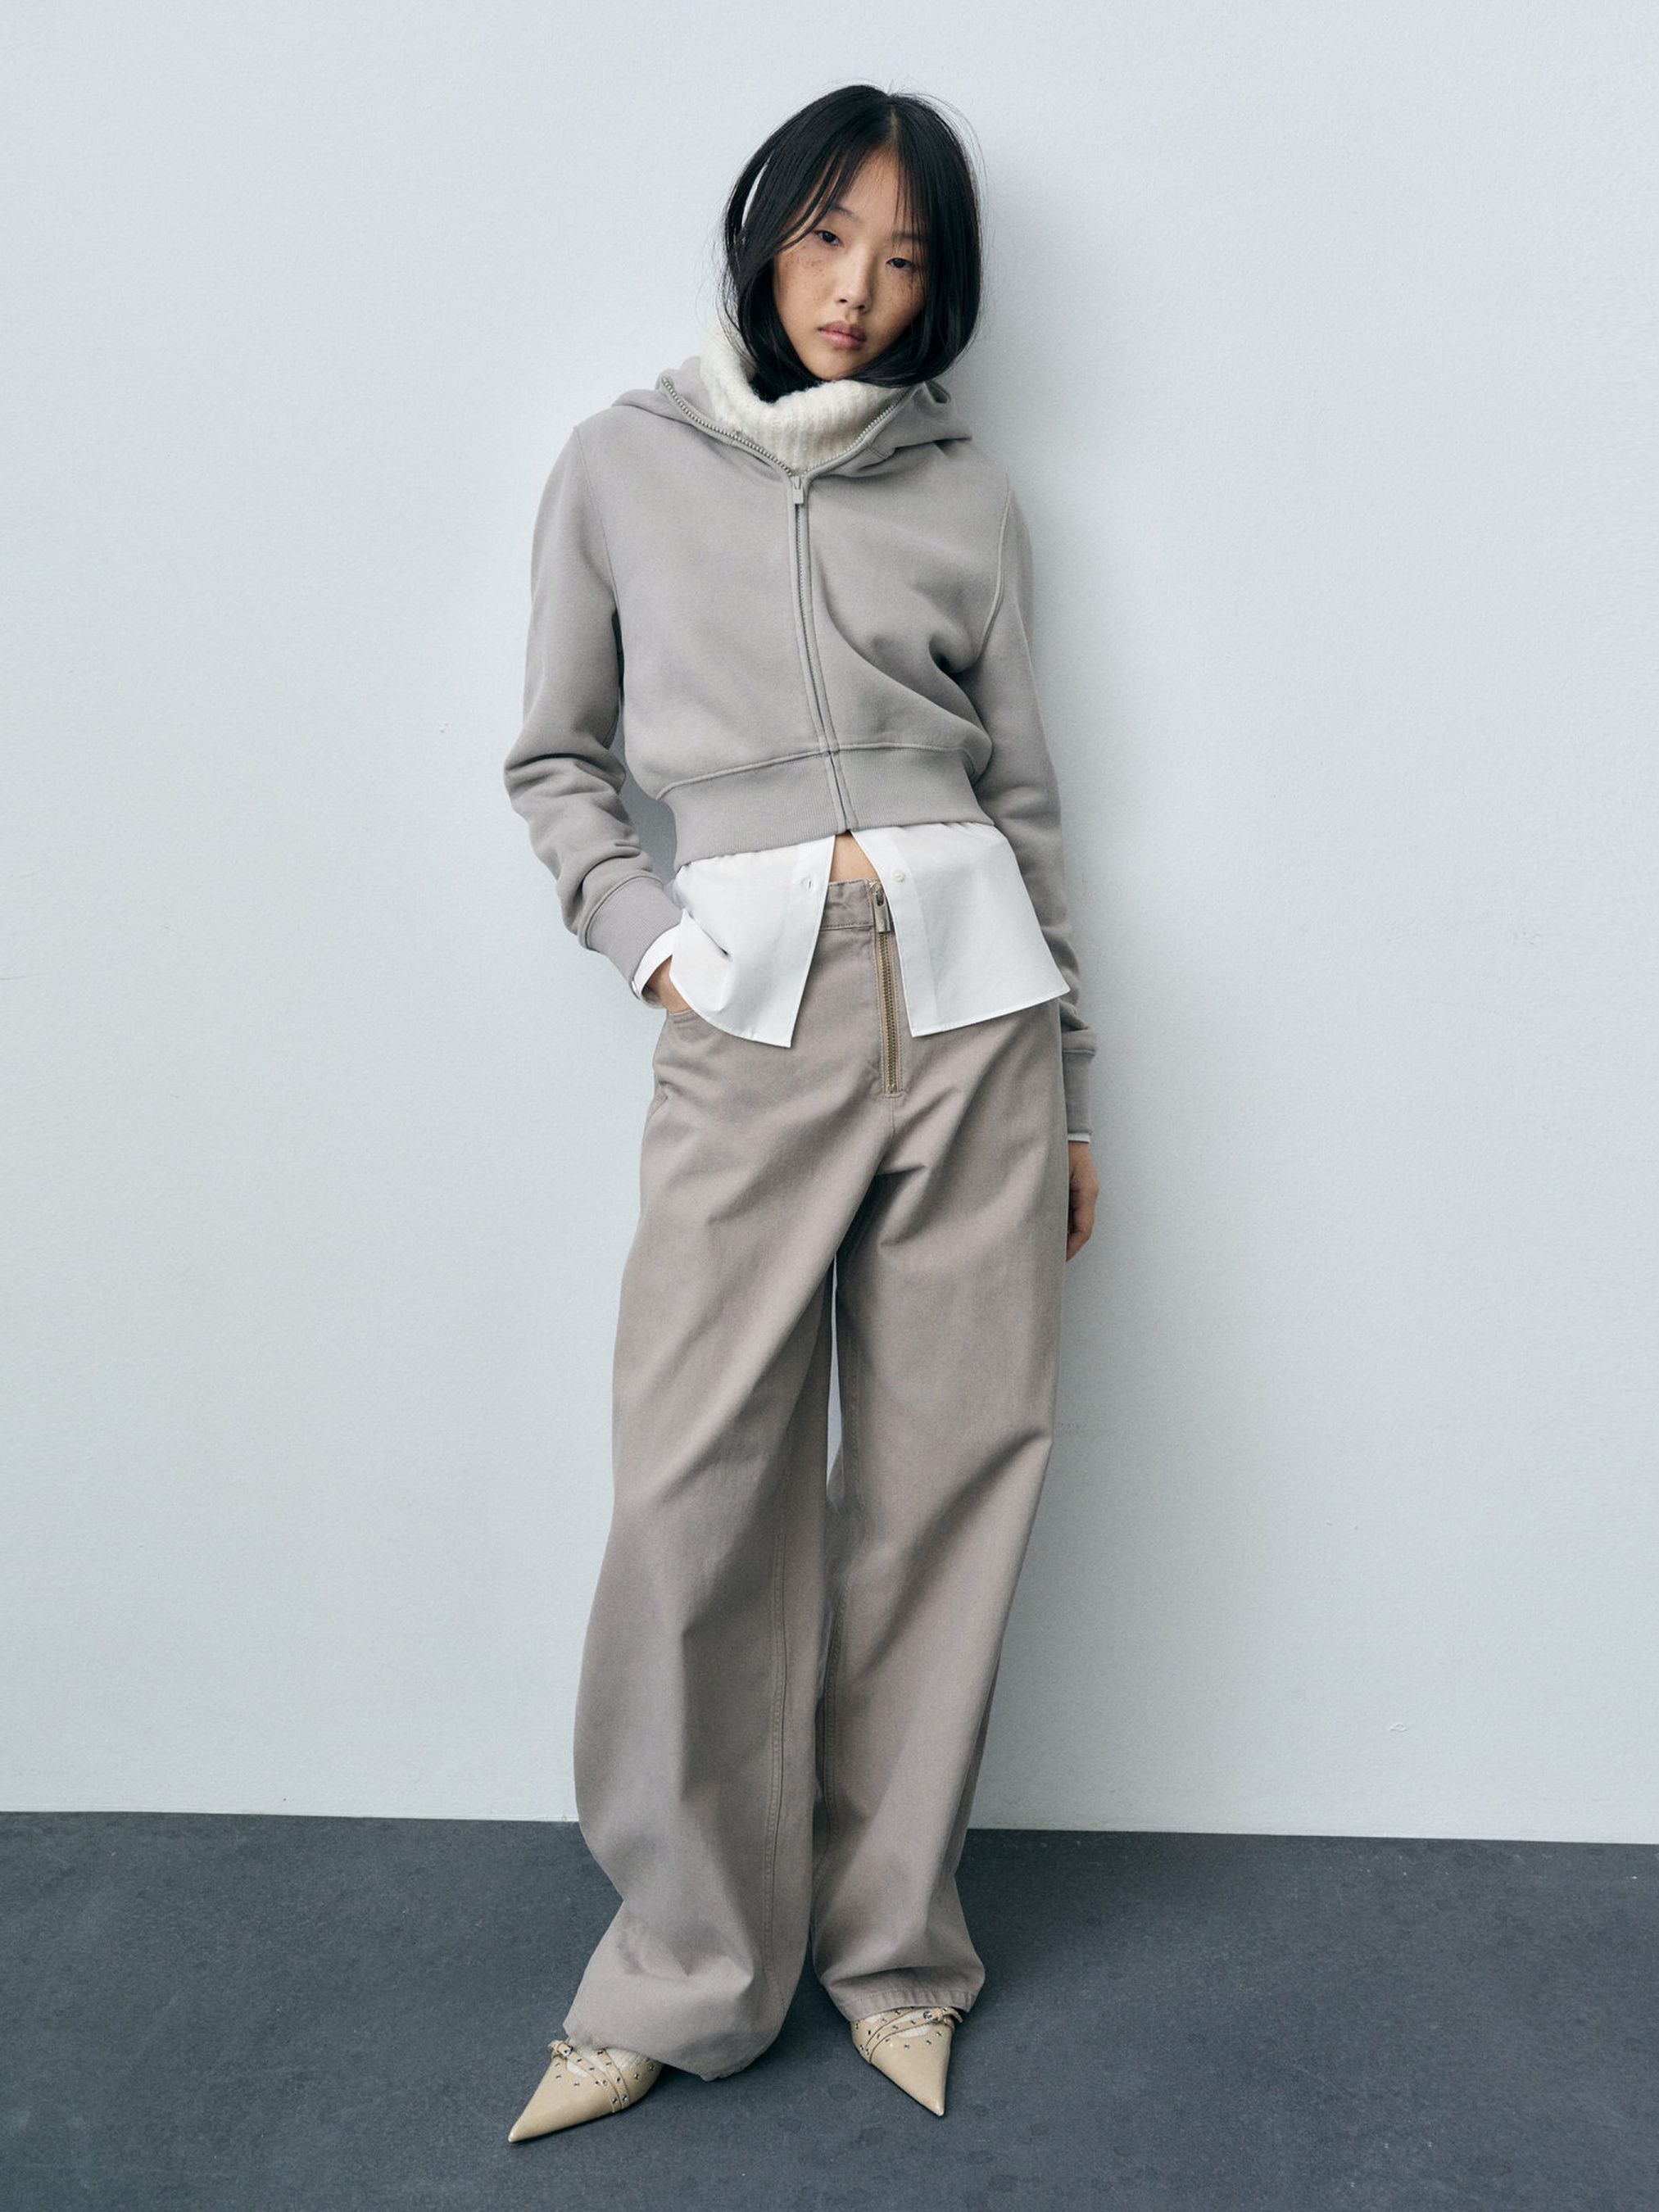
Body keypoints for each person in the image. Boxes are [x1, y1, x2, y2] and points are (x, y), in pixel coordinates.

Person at [501, 83, 1099, 2139]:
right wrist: (652, 941)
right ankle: (680, 1969)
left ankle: (895, 1953)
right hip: (745, 1009)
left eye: (906, 258)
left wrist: (1072, 1085)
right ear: (763, 236)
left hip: (979, 1005)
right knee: (694, 1489)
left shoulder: (966, 493)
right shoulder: (618, 462)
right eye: (829, 237)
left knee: (945, 1487)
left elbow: (1026, 801)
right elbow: (553, 761)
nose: (858, 289)